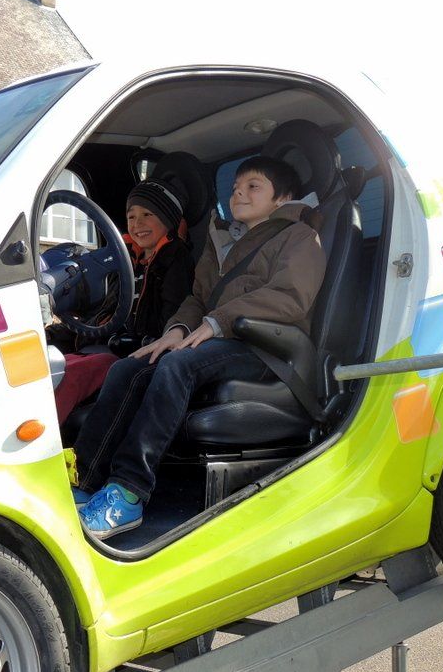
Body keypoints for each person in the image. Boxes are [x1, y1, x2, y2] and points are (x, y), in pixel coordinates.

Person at [72, 156, 327, 539]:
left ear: (282, 198)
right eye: (236, 186)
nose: (239, 192)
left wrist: (217, 322)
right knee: (128, 368)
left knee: (178, 365)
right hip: (214, 339)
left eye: (253, 186)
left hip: (264, 346)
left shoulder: (300, 237)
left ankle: (128, 491)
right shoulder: (222, 239)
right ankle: (86, 482)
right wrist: (176, 330)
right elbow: (197, 298)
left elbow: (290, 298)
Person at [52, 177, 194, 424]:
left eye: (147, 214)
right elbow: (105, 312)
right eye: (131, 216)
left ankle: (45, 436)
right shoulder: (124, 260)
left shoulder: (175, 259)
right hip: (103, 343)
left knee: (76, 374)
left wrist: (135, 340)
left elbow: (171, 318)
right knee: (48, 365)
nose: (138, 224)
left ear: (168, 219)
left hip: (133, 351)